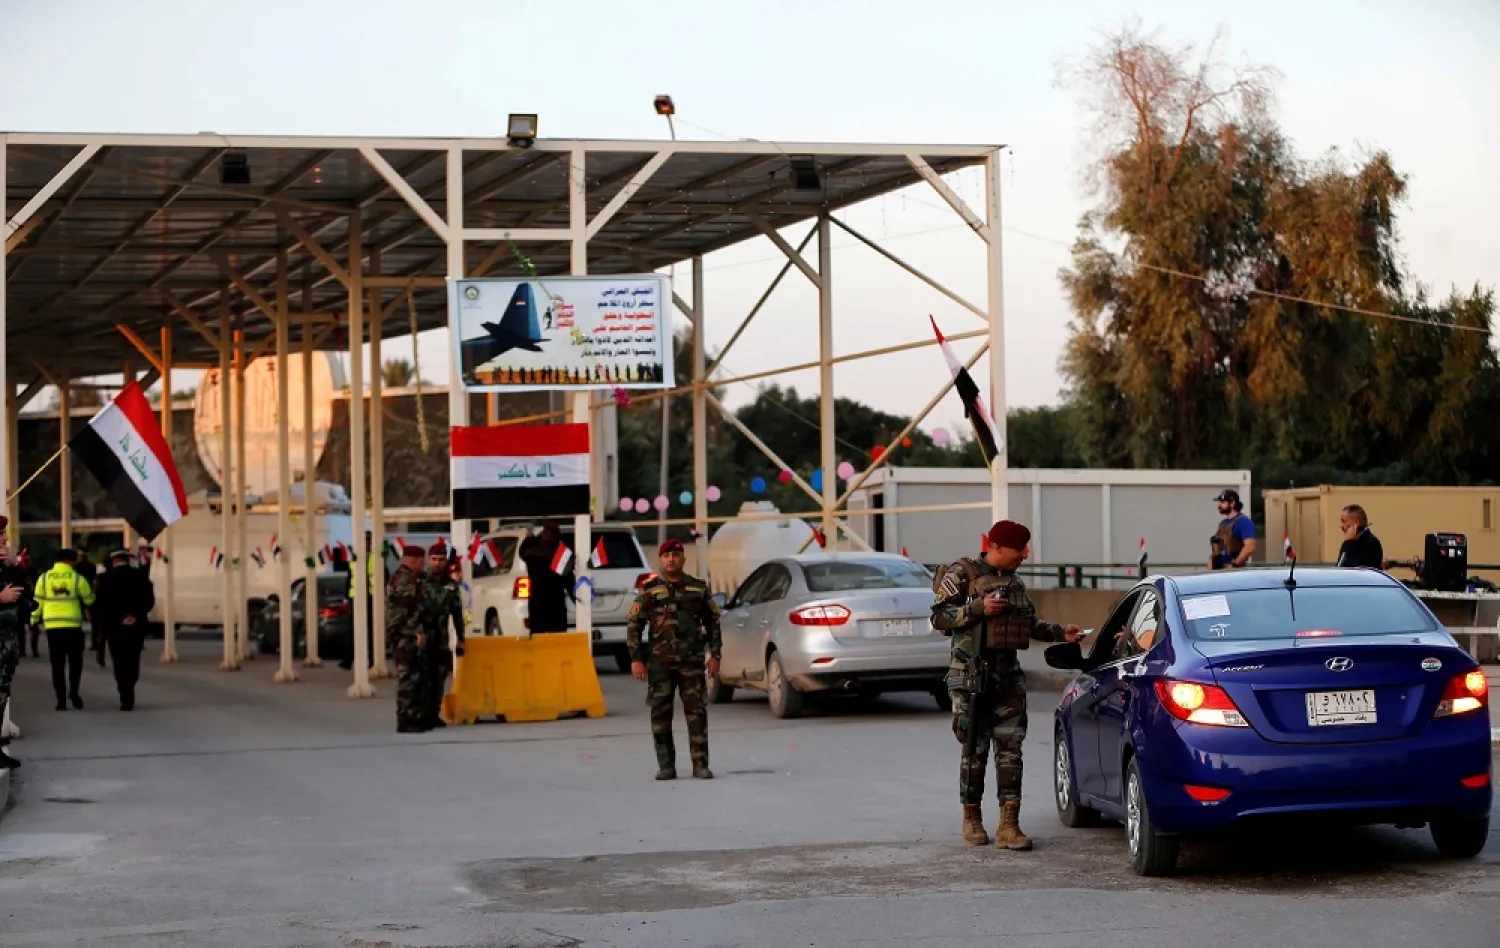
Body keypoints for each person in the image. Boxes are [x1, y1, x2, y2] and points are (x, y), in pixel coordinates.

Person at [931, 519, 1082, 850]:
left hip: (1007, 679)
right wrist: (977, 608)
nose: (1024, 555)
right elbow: (939, 617)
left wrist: (1060, 633)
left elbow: (1028, 623)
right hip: (971, 678)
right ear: (997, 547)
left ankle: (1009, 825)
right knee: (975, 749)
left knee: (1011, 750)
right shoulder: (962, 574)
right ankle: (972, 819)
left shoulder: (1014, 583)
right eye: (1019, 550)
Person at [625, 538, 721, 781]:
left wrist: (715, 655)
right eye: (667, 555)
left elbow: (713, 622)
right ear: (661, 559)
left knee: (697, 714)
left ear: (683, 558)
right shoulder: (650, 590)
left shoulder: (697, 588)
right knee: (660, 715)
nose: (671, 559)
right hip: (660, 664)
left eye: (676, 555)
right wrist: (636, 659)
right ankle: (666, 765)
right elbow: (634, 624)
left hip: (692, 662)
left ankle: (700, 765)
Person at [92, 549, 156, 710]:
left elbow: (100, 604)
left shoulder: (105, 578)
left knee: (119, 660)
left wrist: (114, 620)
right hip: (136, 626)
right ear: (128, 560)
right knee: (133, 658)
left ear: (113, 561)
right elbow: (149, 600)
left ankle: (124, 693)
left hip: (115, 627)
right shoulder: (140, 576)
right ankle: (131, 685)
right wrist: (135, 615)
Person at [32, 548, 96, 710]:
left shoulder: (44, 578)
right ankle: (74, 693)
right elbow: (89, 600)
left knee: (57, 664)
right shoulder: (77, 578)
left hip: (52, 627)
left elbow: (37, 603)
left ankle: (60, 700)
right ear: (71, 561)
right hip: (73, 626)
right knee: (75, 662)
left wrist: (33, 621)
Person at [421, 541, 466, 729]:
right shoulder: (420, 582)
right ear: (428, 560)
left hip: (441, 638)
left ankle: (433, 713)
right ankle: (421, 714)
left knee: (439, 677)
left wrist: (461, 639)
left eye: (441, 559)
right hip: (423, 636)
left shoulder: (450, 585)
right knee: (422, 678)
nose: (437, 563)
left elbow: (457, 613)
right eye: (433, 559)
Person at [386, 545, 429, 733]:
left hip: (405, 633)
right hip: (404, 634)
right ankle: (404, 719)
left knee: (415, 676)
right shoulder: (405, 579)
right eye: (422, 562)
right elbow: (410, 609)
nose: (424, 565)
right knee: (408, 678)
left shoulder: (407, 577)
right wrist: (416, 631)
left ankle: (412, 716)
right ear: (414, 561)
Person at [0, 521, 32, 770]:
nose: (3, 540)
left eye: (3, 535)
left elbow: (26, 594)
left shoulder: (5, 567)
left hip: (7, 642)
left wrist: (14, 566)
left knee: (1, 694)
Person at [518, 520, 572, 634]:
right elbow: (568, 580)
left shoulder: (532, 553)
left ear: (544, 534)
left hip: (537, 605)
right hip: (556, 605)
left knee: (538, 639)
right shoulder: (561, 554)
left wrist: (533, 538)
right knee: (558, 640)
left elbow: (522, 551)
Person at [1209, 489, 1256, 570]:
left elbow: (1250, 547)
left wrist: (1235, 564)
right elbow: (1217, 548)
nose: (1219, 505)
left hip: (1232, 572)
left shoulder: (1244, 522)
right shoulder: (1223, 524)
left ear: (1232, 503)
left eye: (1223, 502)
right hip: (1218, 570)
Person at [1336, 504, 1384, 569]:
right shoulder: (1347, 543)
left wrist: (1350, 544)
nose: (1341, 526)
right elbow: (1338, 569)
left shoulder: (1371, 543)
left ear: (1356, 523)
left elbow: (1356, 569)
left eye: (1344, 522)